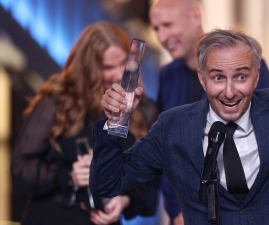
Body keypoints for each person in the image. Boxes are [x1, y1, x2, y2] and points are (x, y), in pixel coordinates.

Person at [90, 12, 269, 224]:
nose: (230, 91)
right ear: (202, 79)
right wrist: (116, 122)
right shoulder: (173, 127)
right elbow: (107, 183)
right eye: (218, 77)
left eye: (241, 76)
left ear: (257, 76)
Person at [10, 21, 159, 225]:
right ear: (88, 68)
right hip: (54, 217)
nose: (118, 74)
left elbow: (151, 186)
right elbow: (21, 167)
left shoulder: (143, 109)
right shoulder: (59, 99)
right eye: (108, 67)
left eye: (122, 64)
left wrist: (125, 199)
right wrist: (69, 176)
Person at [149, 0, 269, 223]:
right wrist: (178, 210)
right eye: (156, 28)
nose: (162, 37)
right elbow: (165, 151)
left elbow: (265, 146)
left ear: (196, 16)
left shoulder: (246, 68)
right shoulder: (167, 76)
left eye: (168, 24)